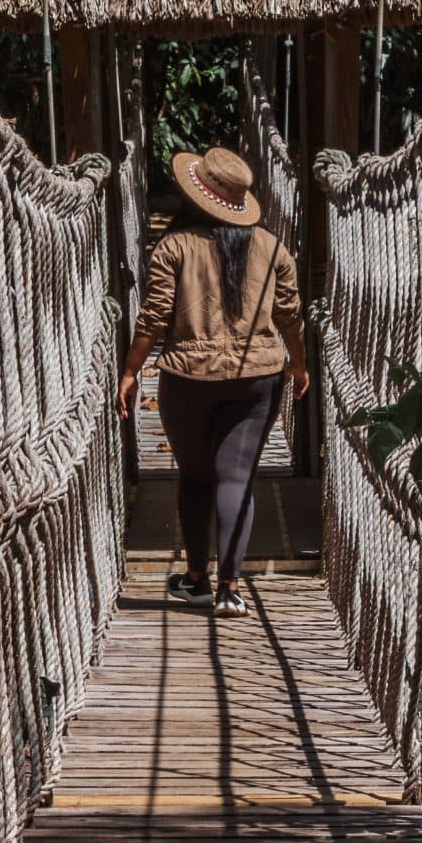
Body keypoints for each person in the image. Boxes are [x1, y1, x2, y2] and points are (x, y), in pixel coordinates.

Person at [117, 145, 309, 616]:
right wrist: (299, 365)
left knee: (196, 477)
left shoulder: (174, 247)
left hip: (187, 378)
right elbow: (290, 317)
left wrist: (130, 371)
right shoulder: (273, 248)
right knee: (237, 478)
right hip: (259, 378)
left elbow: (153, 319)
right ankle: (230, 588)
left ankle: (196, 580)